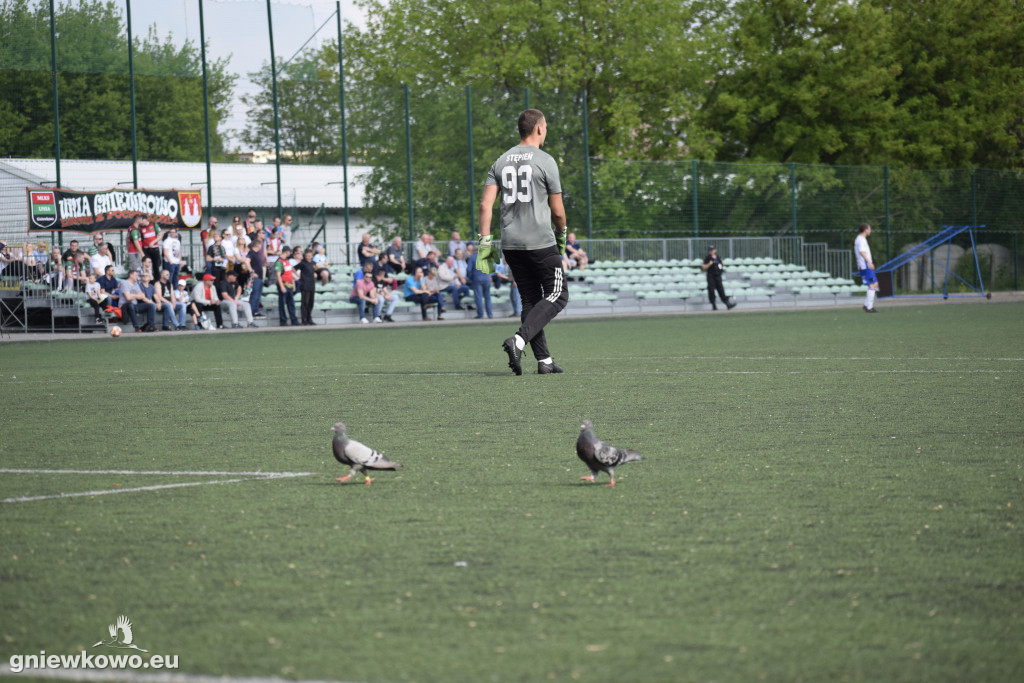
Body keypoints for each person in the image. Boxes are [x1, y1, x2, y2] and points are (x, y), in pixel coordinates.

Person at [480, 108, 568, 375]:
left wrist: (485, 244)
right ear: (539, 129)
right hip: (540, 241)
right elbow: (557, 211)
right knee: (559, 295)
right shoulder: (545, 160)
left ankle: (544, 361)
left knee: (530, 299)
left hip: (511, 244)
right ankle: (518, 340)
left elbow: (486, 206)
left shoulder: (500, 161)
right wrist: (562, 232)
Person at [701, 245, 736, 311]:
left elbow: (721, 265)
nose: (711, 251)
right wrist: (709, 264)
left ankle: (727, 304)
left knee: (721, 291)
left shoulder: (718, 257)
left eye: (712, 250)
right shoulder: (707, 258)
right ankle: (714, 305)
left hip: (718, 276)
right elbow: (703, 267)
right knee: (711, 291)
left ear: (715, 250)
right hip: (711, 276)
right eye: (710, 250)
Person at [274, 246, 300, 326]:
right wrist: (281, 286)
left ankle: (293, 320)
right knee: (282, 303)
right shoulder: (279, 262)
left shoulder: (286, 260)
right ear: (287, 252)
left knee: (291, 303)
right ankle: (283, 320)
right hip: (284, 284)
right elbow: (278, 275)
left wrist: (293, 283)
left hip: (289, 284)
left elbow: (289, 272)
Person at [856, 222, 879, 313]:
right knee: (873, 284)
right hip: (865, 265)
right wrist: (869, 262)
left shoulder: (860, 239)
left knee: (874, 284)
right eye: (869, 229)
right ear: (865, 230)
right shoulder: (861, 239)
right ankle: (869, 307)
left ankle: (866, 306)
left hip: (864, 265)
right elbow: (862, 252)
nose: (870, 231)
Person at [466, 245, 493, 319]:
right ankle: (490, 314)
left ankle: (481, 315)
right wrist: (489, 276)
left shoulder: (472, 258)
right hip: (486, 279)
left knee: (479, 297)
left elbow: (469, 270)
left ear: (474, 251)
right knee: (487, 297)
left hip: (477, 279)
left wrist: (470, 277)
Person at [294, 248, 318, 325]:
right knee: (305, 303)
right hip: (305, 284)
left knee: (311, 303)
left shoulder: (313, 263)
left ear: (312, 256)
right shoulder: (303, 263)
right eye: (307, 256)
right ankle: (304, 319)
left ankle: (309, 318)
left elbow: (315, 269)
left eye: (310, 256)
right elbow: (293, 268)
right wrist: (298, 275)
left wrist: (315, 273)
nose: (308, 257)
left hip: (312, 284)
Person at [246, 233, 267, 318]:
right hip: (255, 278)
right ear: (258, 245)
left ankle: (256, 311)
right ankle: (252, 311)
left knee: (258, 295)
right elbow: (247, 262)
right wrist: (252, 272)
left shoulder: (255, 254)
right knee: (254, 295)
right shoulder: (251, 253)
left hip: (259, 278)